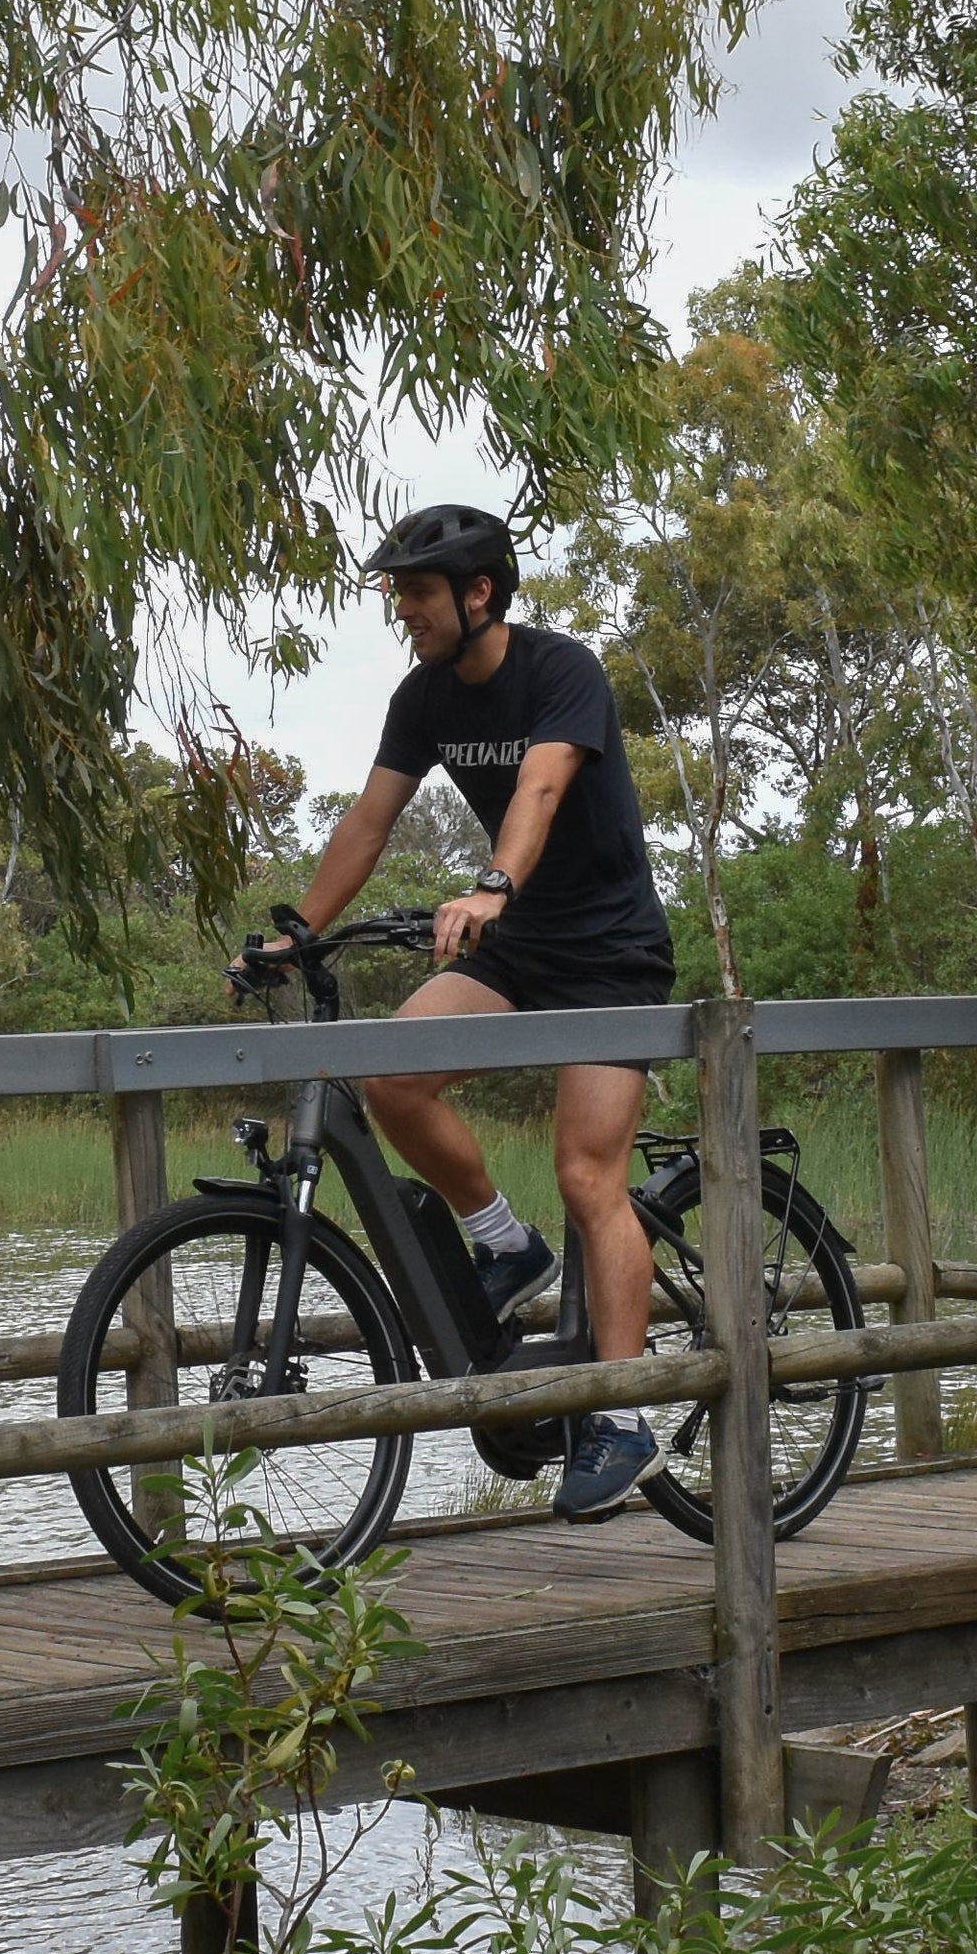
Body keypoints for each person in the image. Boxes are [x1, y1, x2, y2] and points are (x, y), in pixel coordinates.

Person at [263, 503, 678, 1524]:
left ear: (479, 592)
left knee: (590, 1173)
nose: (404, 611)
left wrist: (491, 883)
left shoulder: (561, 673)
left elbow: (540, 789)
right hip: (523, 944)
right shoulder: (424, 697)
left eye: (417, 592)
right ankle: (502, 1242)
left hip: (611, 957)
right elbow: (370, 820)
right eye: (400, 593)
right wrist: (295, 933)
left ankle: (623, 1418)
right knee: (392, 1076)